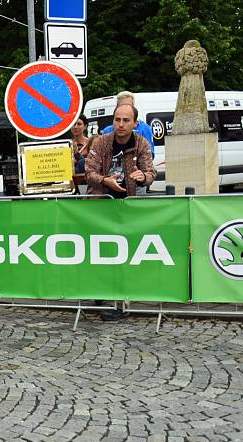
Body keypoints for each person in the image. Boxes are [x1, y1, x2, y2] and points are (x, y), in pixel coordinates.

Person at [86, 104, 156, 321]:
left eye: (126, 120)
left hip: (129, 206)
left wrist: (143, 177)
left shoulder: (141, 143)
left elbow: (151, 171)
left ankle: (121, 303)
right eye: (117, 120)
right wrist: (105, 180)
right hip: (101, 204)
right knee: (100, 251)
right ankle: (100, 291)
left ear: (135, 123)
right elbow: (89, 172)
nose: (121, 124)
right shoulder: (101, 142)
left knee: (124, 253)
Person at [101, 91, 156, 157]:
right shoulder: (107, 131)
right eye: (123, 105)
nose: (125, 108)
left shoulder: (144, 128)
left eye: (129, 105)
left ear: (134, 106)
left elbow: (149, 155)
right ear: (117, 107)